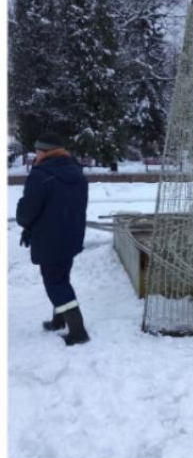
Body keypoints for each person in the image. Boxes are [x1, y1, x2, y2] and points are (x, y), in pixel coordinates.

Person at [16, 132, 90, 345]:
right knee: (61, 278)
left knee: (55, 283)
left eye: (38, 150)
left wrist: (26, 224)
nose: (35, 154)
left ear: (46, 152)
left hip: (49, 239)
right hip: (71, 236)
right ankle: (59, 321)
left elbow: (26, 210)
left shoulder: (41, 175)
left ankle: (78, 331)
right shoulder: (76, 171)